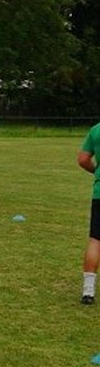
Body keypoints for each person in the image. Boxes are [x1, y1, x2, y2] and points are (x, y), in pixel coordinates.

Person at [77, 123, 100, 304]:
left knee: (95, 239)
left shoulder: (96, 130)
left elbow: (83, 159)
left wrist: (96, 171)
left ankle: (88, 291)